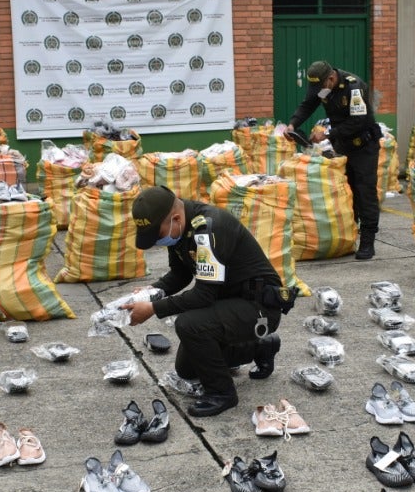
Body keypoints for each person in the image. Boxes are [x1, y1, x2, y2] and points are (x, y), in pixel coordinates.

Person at [122, 185, 291, 418]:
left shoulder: (209, 229)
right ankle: (261, 347)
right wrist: (153, 291)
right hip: (230, 304)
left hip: (258, 308)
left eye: (158, 235)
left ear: (176, 218)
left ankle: (222, 394)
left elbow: (203, 295)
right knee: (187, 368)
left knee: (189, 324)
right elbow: (180, 275)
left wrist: (152, 308)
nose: (157, 242)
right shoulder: (181, 231)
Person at [285, 60, 382, 260]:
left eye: (320, 86)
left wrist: (328, 133)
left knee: (365, 192)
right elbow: (308, 105)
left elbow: (359, 121)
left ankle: (368, 241)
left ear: (331, 78)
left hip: (364, 146)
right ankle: (348, 236)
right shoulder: (323, 88)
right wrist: (293, 124)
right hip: (343, 146)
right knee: (345, 192)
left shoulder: (353, 87)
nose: (319, 90)